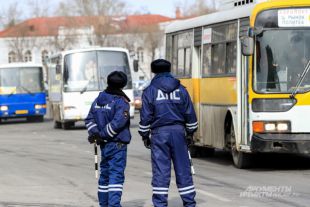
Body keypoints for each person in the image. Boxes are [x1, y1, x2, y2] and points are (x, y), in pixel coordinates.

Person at [139, 59, 198, 207]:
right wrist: (190, 133)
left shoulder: (149, 91)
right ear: (170, 69)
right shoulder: (181, 89)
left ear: (153, 71)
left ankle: (160, 204)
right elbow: (190, 114)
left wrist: (145, 136)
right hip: (179, 133)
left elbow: (146, 117)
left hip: (159, 135)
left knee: (161, 171)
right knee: (183, 170)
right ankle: (189, 203)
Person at [85, 71, 131, 207]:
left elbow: (89, 119)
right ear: (122, 85)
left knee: (104, 176)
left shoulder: (99, 98)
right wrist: (101, 135)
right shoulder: (121, 102)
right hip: (117, 145)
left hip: (104, 145)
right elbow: (118, 123)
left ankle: (103, 204)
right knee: (116, 177)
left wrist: (96, 134)